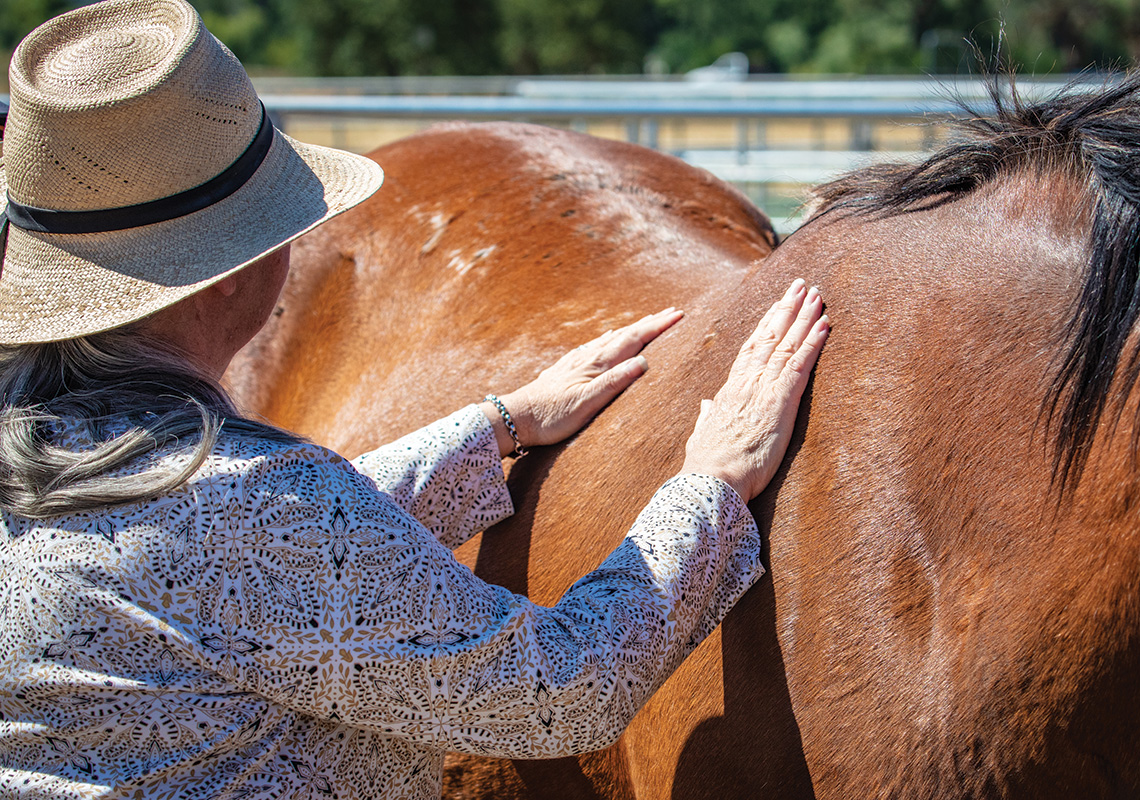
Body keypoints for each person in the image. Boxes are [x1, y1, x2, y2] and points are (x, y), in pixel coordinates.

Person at [0, 1, 829, 798]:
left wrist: (498, 427)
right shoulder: (246, 508)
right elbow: (562, 687)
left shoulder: (46, 457)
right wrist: (713, 484)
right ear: (230, 275)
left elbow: (238, 576)